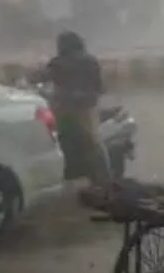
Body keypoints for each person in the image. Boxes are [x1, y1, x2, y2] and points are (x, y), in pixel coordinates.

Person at [31, 31, 114, 194]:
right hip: (86, 107)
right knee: (94, 144)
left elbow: (40, 77)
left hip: (64, 108)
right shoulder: (90, 61)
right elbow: (101, 87)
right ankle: (105, 181)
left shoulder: (58, 63)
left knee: (56, 141)